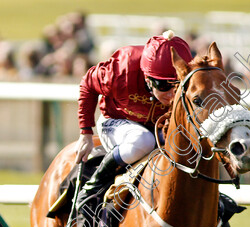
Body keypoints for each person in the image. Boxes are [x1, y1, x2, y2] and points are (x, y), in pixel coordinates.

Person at [73, 30, 192, 211]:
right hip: (115, 120)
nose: (172, 94)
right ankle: (92, 187)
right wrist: (85, 133)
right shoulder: (122, 68)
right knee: (143, 140)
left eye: (179, 85)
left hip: (158, 126)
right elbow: (88, 83)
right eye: (164, 85)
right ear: (147, 77)